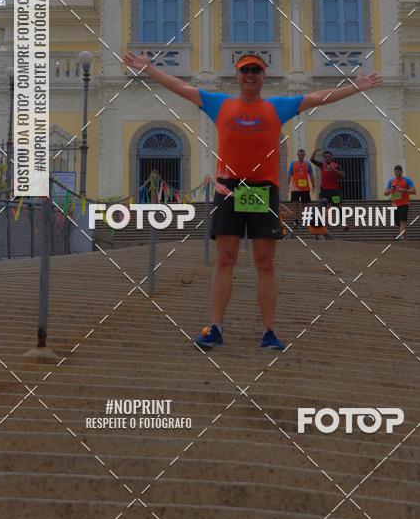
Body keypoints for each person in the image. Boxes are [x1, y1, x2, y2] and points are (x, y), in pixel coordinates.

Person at [124, 50, 383, 350]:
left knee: (266, 263)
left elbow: (319, 97)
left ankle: (269, 332)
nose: (250, 75)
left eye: (256, 71)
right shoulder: (219, 104)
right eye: (245, 70)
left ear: (263, 77)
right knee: (225, 258)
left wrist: (356, 87)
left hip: (263, 191)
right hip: (229, 190)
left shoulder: (277, 107)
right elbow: (181, 88)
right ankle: (216, 328)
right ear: (237, 75)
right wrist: (149, 69)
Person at [286, 148, 315, 235]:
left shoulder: (308, 164)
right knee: (295, 205)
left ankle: (304, 221)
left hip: (305, 188)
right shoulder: (293, 164)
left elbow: (311, 175)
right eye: (299, 155)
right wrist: (287, 184)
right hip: (295, 188)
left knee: (305, 206)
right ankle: (295, 221)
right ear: (297, 155)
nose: (301, 156)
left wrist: (313, 185)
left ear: (304, 155)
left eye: (302, 155)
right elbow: (289, 174)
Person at [384, 165, 416, 242]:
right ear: (394, 173)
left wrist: (404, 190)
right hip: (395, 204)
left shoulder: (407, 180)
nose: (398, 174)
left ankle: (402, 238)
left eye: (399, 172)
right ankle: (405, 238)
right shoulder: (391, 181)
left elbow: (414, 191)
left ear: (402, 172)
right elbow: (385, 193)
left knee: (402, 221)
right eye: (396, 172)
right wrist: (391, 189)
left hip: (404, 203)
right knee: (397, 222)